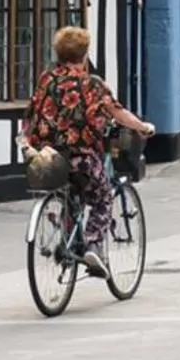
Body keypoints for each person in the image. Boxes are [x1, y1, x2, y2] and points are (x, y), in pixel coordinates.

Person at [23, 25, 155, 280]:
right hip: (80, 157)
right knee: (102, 196)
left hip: (48, 157)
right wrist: (142, 127)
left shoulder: (46, 80)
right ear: (84, 54)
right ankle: (93, 246)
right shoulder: (91, 84)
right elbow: (117, 112)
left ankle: (66, 236)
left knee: (71, 192)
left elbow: (31, 113)